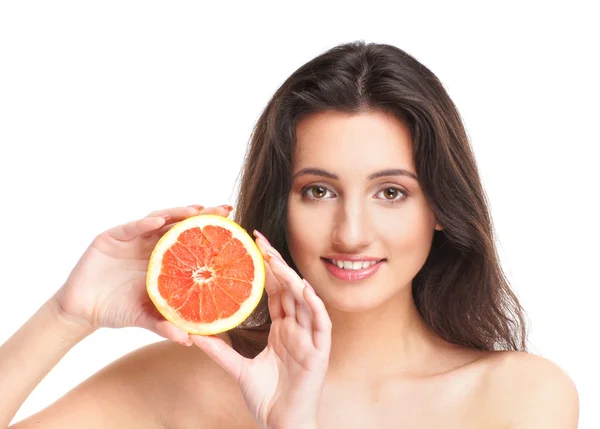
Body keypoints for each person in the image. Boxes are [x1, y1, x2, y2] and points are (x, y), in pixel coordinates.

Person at [1, 41, 579, 429]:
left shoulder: (517, 398)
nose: (351, 233)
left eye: (391, 192)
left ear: (441, 208)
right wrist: (67, 315)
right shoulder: (183, 381)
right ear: (279, 204)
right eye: (319, 191)